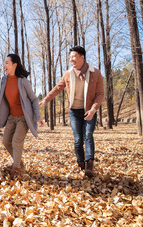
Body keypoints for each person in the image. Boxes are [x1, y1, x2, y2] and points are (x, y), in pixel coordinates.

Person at [39, 46, 104, 178]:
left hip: (89, 111)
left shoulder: (95, 73)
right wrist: (45, 100)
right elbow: (58, 88)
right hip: (74, 112)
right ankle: (81, 164)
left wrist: (93, 109)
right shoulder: (68, 74)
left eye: (73, 56)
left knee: (88, 135)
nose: (71, 60)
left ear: (82, 57)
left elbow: (100, 94)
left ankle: (90, 166)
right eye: (70, 57)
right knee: (78, 139)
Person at [0, 54, 44, 178]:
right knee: (6, 141)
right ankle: (19, 164)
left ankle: (16, 169)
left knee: (16, 142)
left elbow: (34, 99)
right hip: (12, 117)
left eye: (7, 62)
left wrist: (38, 116)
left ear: (14, 65)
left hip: (24, 118)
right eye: (4, 62)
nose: (4, 65)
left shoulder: (23, 81)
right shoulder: (4, 80)